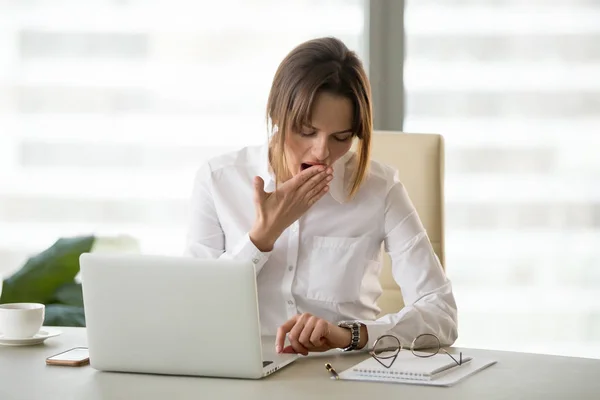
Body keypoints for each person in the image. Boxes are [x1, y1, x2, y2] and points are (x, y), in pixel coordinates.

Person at [185, 37, 457, 355]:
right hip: (242, 370)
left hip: (342, 375)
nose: (322, 152)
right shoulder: (219, 180)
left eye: (341, 137)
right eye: (306, 131)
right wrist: (262, 238)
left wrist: (349, 334)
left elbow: (442, 315)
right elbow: (194, 309)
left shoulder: (380, 189)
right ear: (275, 114)